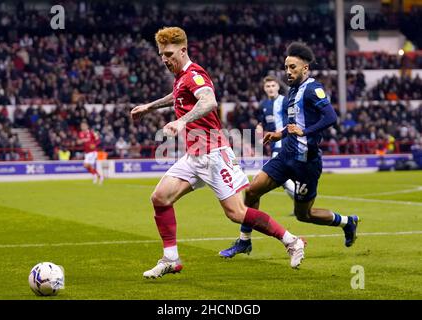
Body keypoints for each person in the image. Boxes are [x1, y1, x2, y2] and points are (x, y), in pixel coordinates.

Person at [131, 27, 306, 279]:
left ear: (183, 50)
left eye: (169, 53)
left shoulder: (195, 74)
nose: (164, 59)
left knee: (236, 213)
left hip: (214, 153)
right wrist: (150, 106)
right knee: (160, 197)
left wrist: (181, 122)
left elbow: (209, 101)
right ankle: (170, 259)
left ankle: (292, 241)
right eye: (161, 54)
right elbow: (178, 94)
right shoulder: (181, 77)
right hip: (194, 154)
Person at [218, 42, 360, 259]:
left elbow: (331, 117)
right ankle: (244, 241)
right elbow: (294, 124)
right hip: (285, 156)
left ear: (305, 68)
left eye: (292, 67)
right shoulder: (293, 92)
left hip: (306, 163)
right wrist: (280, 134)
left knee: (304, 215)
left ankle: (347, 222)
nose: (288, 72)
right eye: (286, 67)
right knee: (253, 190)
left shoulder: (313, 89)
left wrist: (305, 131)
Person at [219, 75, 296, 258]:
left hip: (285, 145)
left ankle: (300, 201)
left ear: (278, 86)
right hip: (275, 147)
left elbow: (294, 121)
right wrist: (260, 126)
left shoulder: (285, 102)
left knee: (260, 187)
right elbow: (262, 120)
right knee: (260, 189)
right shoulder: (263, 105)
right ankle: (245, 240)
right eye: (267, 86)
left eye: (272, 85)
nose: (270, 88)